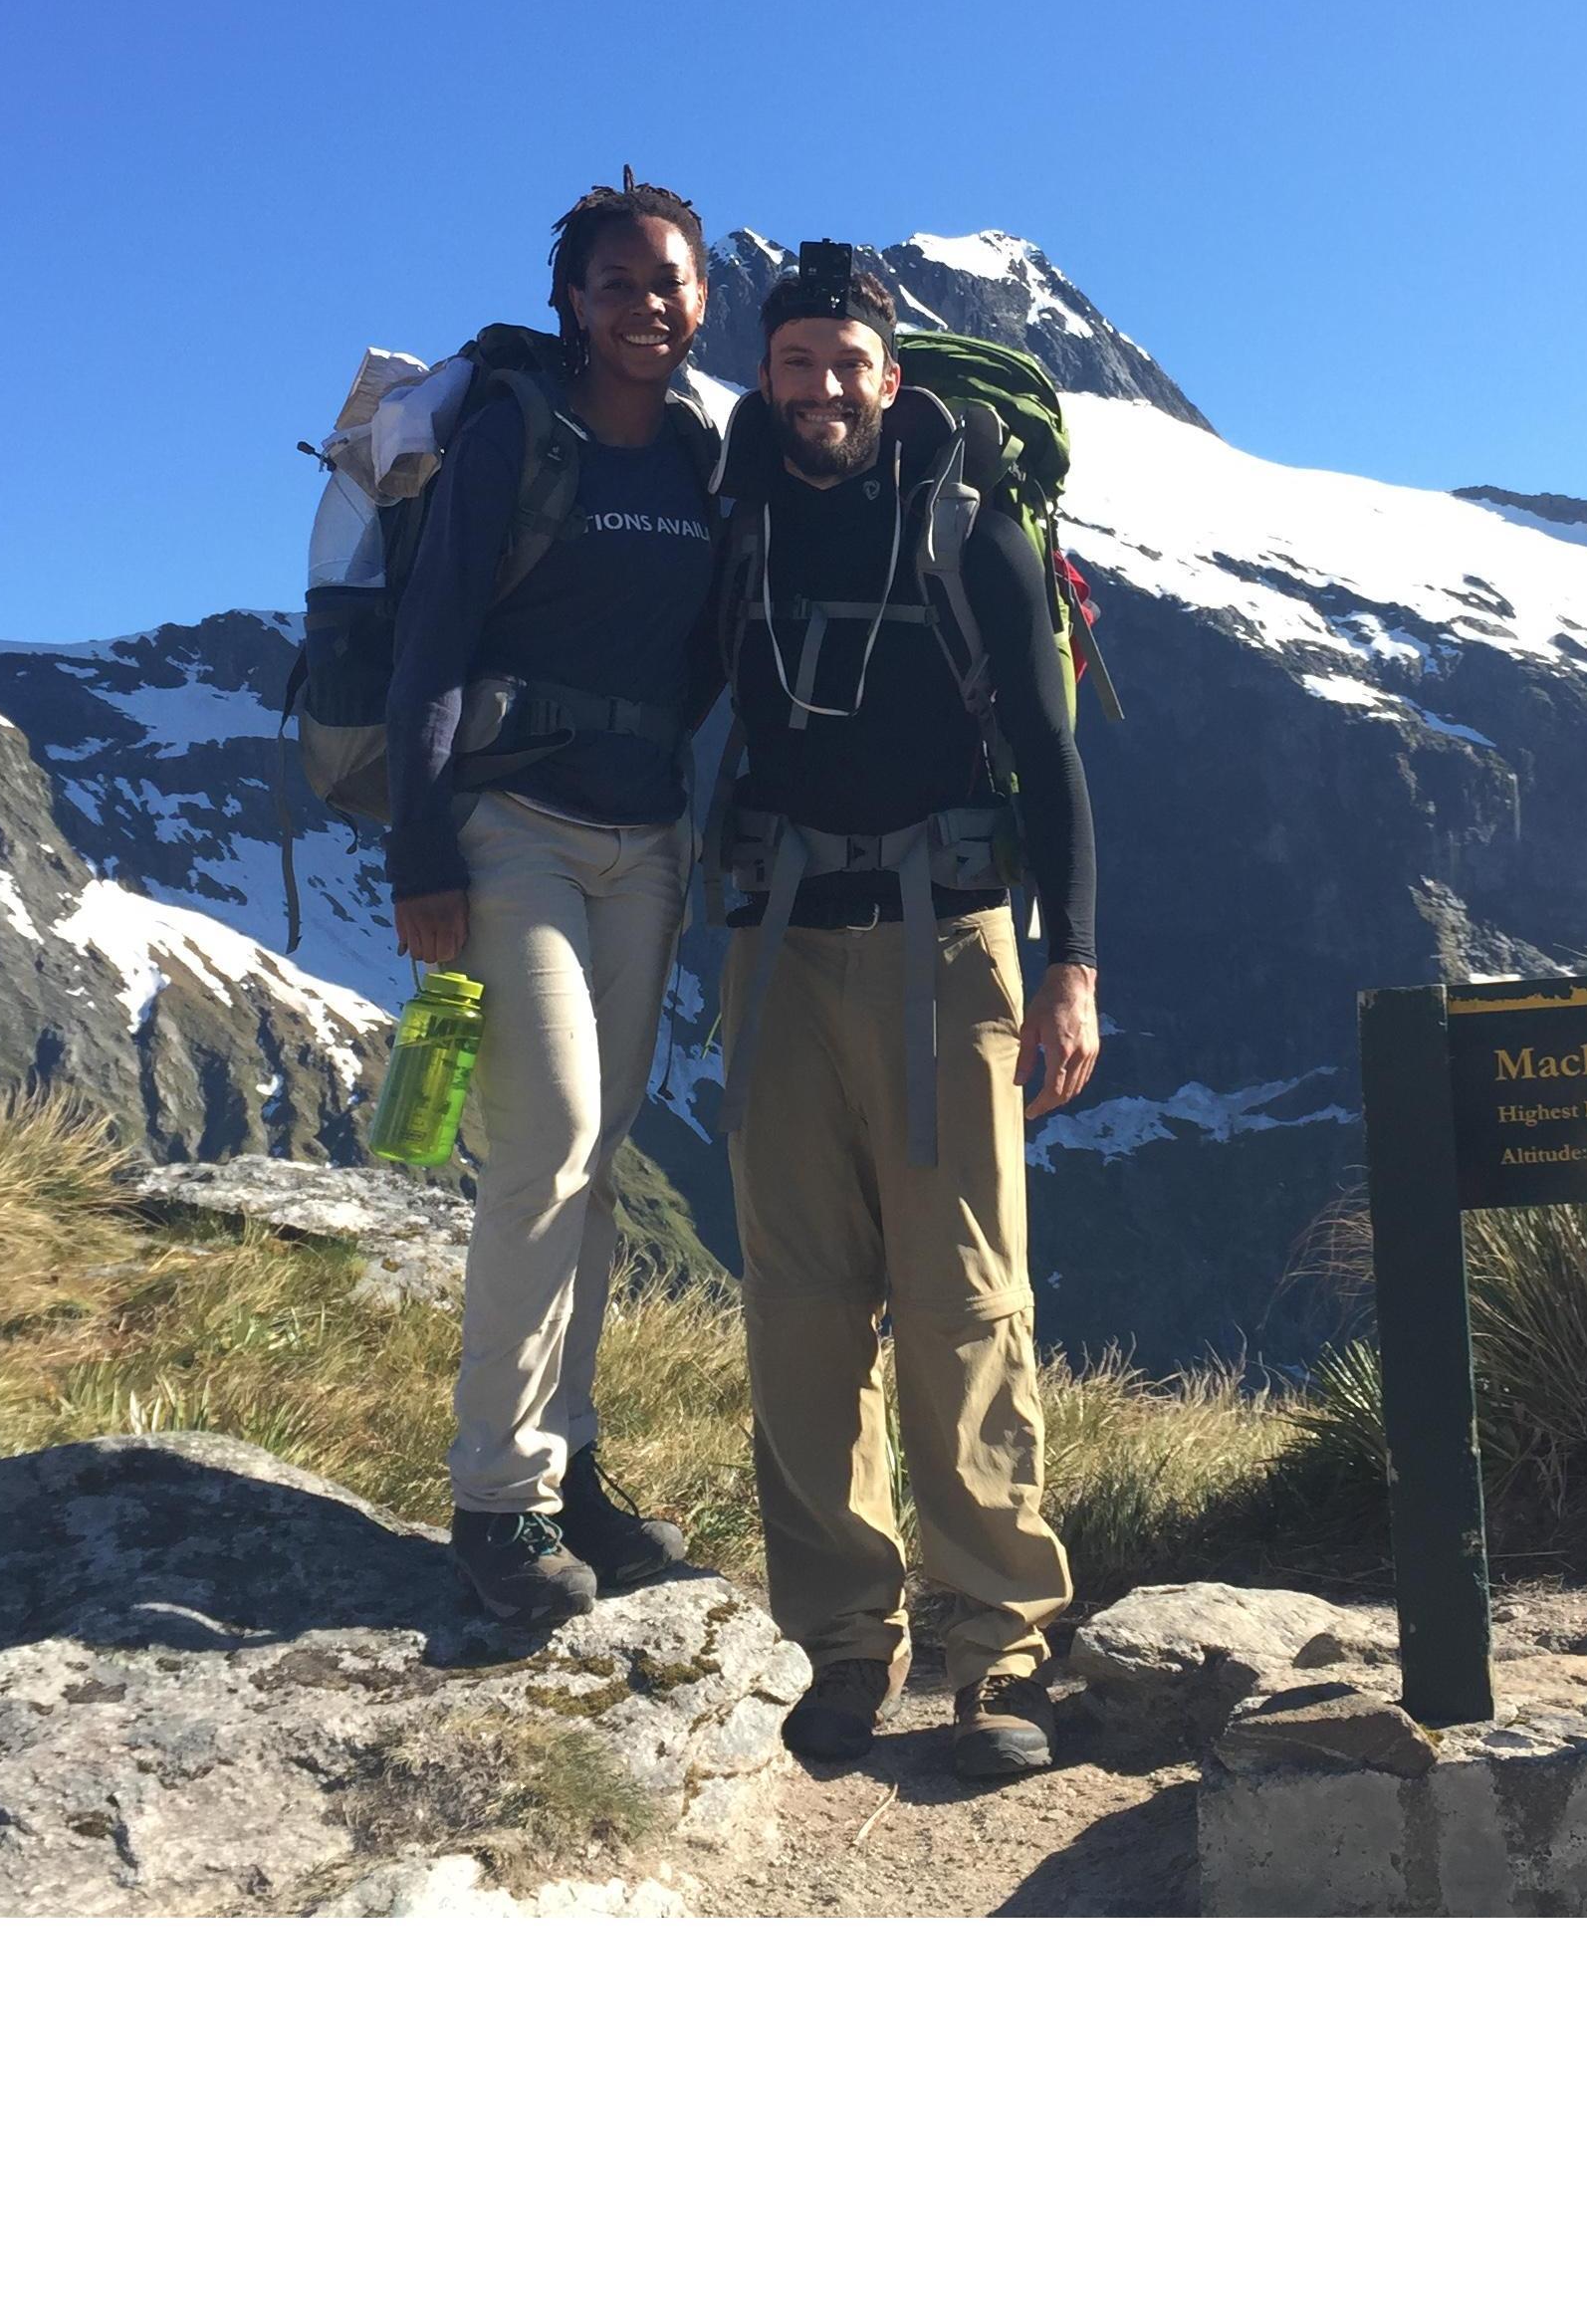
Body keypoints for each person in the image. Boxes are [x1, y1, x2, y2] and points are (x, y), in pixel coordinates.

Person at [711, 243, 1102, 1780]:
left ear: (891, 375)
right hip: (781, 947)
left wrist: (1073, 965)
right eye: (796, 363)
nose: (821, 388)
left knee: (966, 1304)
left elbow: (1053, 758)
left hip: (954, 946)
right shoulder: (734, 518)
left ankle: (1000, 1650)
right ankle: (840, 1646)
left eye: (846, 363)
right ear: (766, 377)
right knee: (800, 1306)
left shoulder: (967, 526)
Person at [385, 177, 722, 1627]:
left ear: (703, 300)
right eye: (618, 282)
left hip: (645, 844)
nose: (648, 304)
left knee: (599, 1152)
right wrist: (422, 851)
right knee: (554, 1140)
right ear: (572, 301)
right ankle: (496, 1499)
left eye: (670, 282)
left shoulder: (705, 456)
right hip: (509, 831)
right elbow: (432, 644)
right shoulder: (519, 437)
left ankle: (569, 1467)